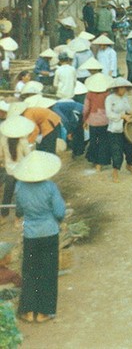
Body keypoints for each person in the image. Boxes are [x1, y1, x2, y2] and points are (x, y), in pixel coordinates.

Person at [13, 151, 66, 324]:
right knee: (48, 271)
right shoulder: (50, 187)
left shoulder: (19, 186)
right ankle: (44, 312)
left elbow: (19, 210)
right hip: (49, 232)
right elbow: (59, 211)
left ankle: (28, 311)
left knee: (30, 271)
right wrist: (58, 220)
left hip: (31, 234)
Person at [0, 116, 34, 220]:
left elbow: (1, 155)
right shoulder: (23, 141)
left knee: (7, 193)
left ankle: (3, 215)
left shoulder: (3, 140)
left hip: (9, 171)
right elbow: (28, 156)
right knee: (21, 194)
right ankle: (17, 218)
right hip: (21, 170)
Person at [105, 77, 132, 183]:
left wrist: (131, 113)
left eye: (125, 88)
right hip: (114, 129)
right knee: (117, 151)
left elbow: (127, 109)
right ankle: (115, 172)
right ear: (117, 88)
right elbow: (109, 114)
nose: (124, 90)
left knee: (129, 148)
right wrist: (122, 116)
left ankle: (129, 165)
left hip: (125, 127)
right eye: (122, 88)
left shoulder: (125, 98)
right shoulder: (110, 99)